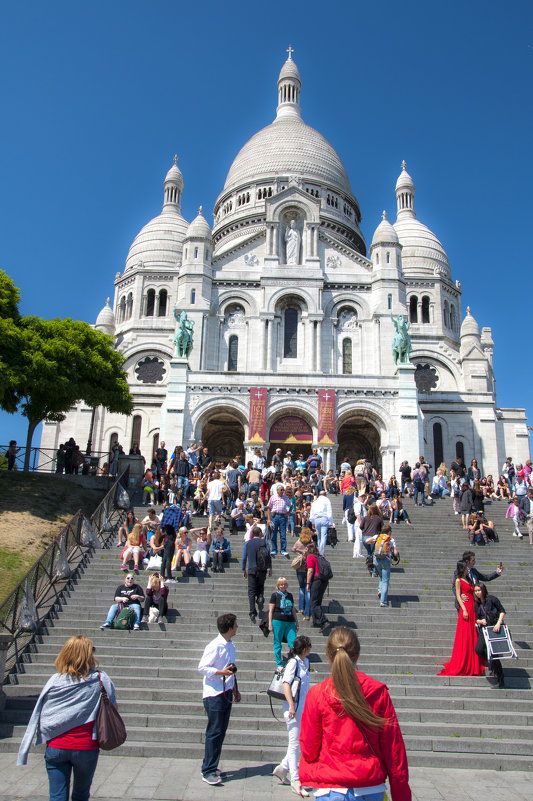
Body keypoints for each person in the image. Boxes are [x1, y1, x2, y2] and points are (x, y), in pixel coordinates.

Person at [299, 627, 411, 801]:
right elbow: (394, 751)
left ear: (329, 656)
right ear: (357, 656)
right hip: (370, 787)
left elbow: (309, 750)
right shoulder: (377, 692)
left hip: (331, 789)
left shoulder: (317, 694)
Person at [17, 635, 116, 800]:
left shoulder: (55, 681)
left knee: (57, 796)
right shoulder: (100, 679)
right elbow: (112, 707)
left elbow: (46, 712)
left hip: (57, 745)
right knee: (81, 794)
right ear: (89, 655)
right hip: (86, 745)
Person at [197, 613, 241, 785]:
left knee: (221, 732)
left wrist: (236, 690)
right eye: (236, 625)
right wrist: (221, 673)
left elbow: (232, 668)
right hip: (213, 693)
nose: (237, 627)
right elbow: (202, 667)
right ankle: (207, 770)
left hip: (226, 692)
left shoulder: (231, 645)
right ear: (229, 627)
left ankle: (213, 765)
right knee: (214, 732)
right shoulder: (214, 646)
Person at [272, 635, 312, 798]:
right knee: (295, 743)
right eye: (309, 647)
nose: (310, 650)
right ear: (304, 650)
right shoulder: (293, 663)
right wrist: (290, 706)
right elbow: (286, 684)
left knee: (297, 742)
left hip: (303, 707)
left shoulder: (305, 662)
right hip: (292, 708)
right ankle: (296, 780)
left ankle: (282, 768)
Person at [438, 561, 485, 676]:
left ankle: (475, 661)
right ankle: (467, 662)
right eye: (466, 568)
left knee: (473, 634)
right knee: (466, 635)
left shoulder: (468, 579)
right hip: (466, 608)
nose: (468, 570)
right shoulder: (458, 580)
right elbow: (458, 595)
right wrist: (463, 609)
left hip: (472, 607)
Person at [474, 583, 506, 688]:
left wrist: (498, 623)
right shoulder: (477, 603)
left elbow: (502, 611)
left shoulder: (492, 599)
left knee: (494, 654)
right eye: (475, 591)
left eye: (479, 590)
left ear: (483, 590)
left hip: (494, 628)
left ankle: (500, 678)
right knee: (478, 649)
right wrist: (480, 621)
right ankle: (490, 663)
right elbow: (476, 619)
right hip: (484, 630)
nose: (477, 593)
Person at [242, 525, 272, 620]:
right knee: (260, 586)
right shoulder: (264, 542)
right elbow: (268, 556)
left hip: (251, 568)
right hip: (262, 569)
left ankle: (252, 611)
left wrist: (244, 569)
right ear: (260, 533)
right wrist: (270, 568)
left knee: (251, 590)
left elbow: (243, 558)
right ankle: (260, 597)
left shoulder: (248, 543)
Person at [269, 577, 299, 667]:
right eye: (281, 584)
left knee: (293, 642)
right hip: (278, 620)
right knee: (277, 642)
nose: (283, 586)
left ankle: (294, 660)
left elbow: (293, 610)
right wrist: (270, 624)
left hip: (290, 621)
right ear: (278, 586)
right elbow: (271, 610)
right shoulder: (274, 595)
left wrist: (297, 622)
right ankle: (279, 663)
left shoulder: (290, 595)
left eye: (285, 584)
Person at [368, 524, 399, 607]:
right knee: (385, 580)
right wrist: (396, 554)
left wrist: (372, 543)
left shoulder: (377, 537)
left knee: (382, 577)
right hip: (386, 560)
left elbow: (367, 541)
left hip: (377, 560)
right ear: (389, 531)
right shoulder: (391, 540)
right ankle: (383, 601)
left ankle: (380, 590)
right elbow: (395, 553)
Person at [306, 541, 329, 629]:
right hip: (324, 580)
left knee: (314, 602)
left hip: (316, 580)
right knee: (317, 601)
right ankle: (316, 621)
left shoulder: (310, 557)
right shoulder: (320, 556)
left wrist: (308, 583)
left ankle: (323, 620)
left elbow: (310, 571)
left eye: (306, 549)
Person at [291, 527, 313, 619]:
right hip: (308, 567)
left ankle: (301, 608)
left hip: (300, 567)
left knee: (301, 587)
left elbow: (293, 549)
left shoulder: (299, 542)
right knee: (308, 589)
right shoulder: (311, 543)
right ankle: (307, 612)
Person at [267, 483, 292, 556]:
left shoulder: (285, 498)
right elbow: (269, 508)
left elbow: (291, 506)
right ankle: (274, 549)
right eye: (281, 490)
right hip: (275, 516)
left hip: (283, 517)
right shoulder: (273, 497)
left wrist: (288, 513)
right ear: (277, 490)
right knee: (273, 533)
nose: (282, 491)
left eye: (283, 490)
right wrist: (268, 519)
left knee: (283, 534)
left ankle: (283, 549)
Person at [309, 490, 334, 556]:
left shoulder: (316, 501)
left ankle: (319, 551)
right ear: (325, 494)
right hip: (324, 518)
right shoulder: (327, 500)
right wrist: (330, 522)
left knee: (319, 537)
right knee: (323, 536)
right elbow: (329, 511)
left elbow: (312, 512)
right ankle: (321, 552)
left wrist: (313, 522)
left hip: (317, 519)